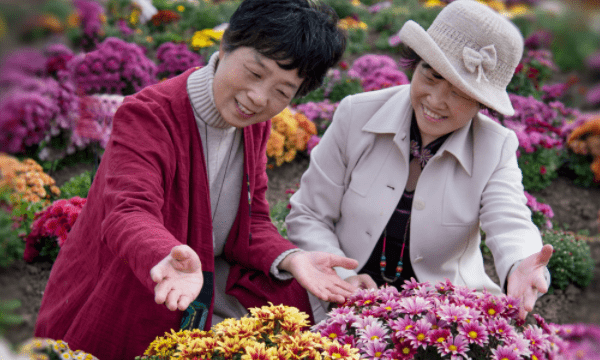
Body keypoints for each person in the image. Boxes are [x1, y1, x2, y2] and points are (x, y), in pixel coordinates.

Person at [34, 0, 360, 358]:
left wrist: (293, 258)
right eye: (254, 73)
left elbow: (252, 223)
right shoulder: (150, 113)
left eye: (282, 92)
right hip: (143, 277)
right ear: (225, 45)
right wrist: (162, 255)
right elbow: (128, 210)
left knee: (302, 302)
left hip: (204, 277)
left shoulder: (253, 124)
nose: (258, 97)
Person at [286, 0, 553, 322]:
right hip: (340, 298)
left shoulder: (494, 147)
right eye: (432, 75)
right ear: (417, 63)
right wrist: (340, 276)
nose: (436, 101)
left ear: (482, 103)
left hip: (443, 317)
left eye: (460, 92)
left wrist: (521, 262)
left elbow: (511, 221)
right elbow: (310, 213)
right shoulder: (356, 113)